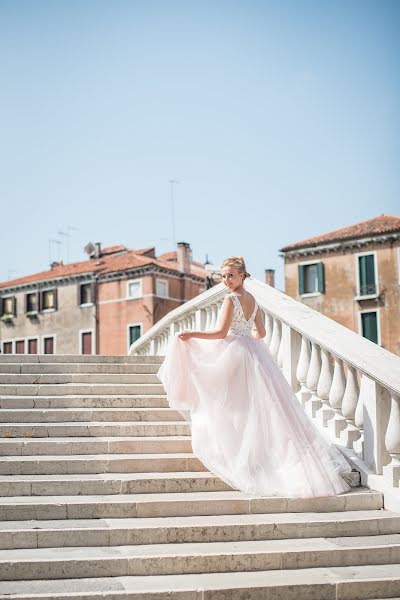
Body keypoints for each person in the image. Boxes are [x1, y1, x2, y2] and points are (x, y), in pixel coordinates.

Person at [157, 256, 352, 498]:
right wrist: (248, 343)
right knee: (255, 409)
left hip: (236, 354)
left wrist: (192, 334)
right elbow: (261, 332)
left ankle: (241, 456)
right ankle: (254, 456)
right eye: (223, 276)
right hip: (253, 354)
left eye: (230, 275)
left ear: (242, 275)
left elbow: (219, 333)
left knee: (233, 405)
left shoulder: (231, 300)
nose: (225, 280)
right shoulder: (253, 300)